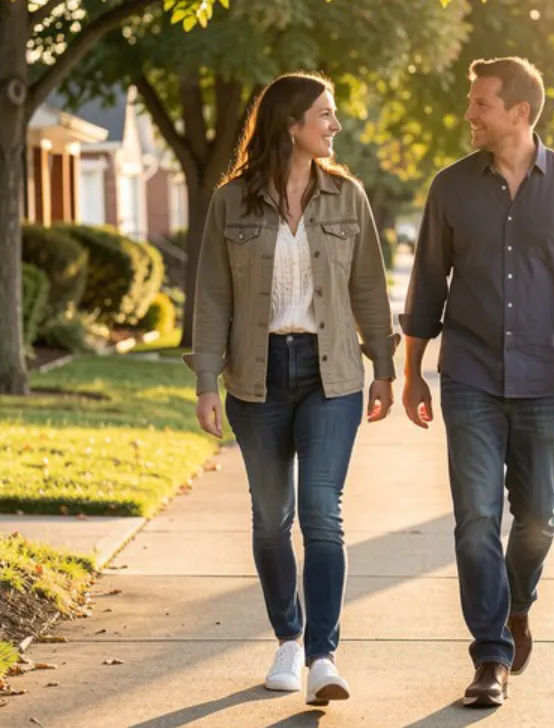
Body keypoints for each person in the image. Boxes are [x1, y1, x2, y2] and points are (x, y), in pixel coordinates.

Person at [399, 57, 554, 708]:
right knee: (475, 522)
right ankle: (490, 655)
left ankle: (517, 602)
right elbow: (425, 288)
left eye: (481, 104)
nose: (469, 114)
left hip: (546, 373)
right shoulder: (449, 188)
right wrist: (413, 374)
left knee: (538, 521)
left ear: (519, 114)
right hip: (467, 373)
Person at [185, 71, 398, 707]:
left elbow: (368, 289)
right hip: (257, 375)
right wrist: (204, 381)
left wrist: (384, 367)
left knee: (322, 514)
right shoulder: (231, 202)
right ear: (290, 124)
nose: (334, 125)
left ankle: (323, 656)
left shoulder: (347, 197)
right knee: (272, 518)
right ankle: (288, 638)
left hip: (331, 374)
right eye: (325, 115)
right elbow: (212, 296)